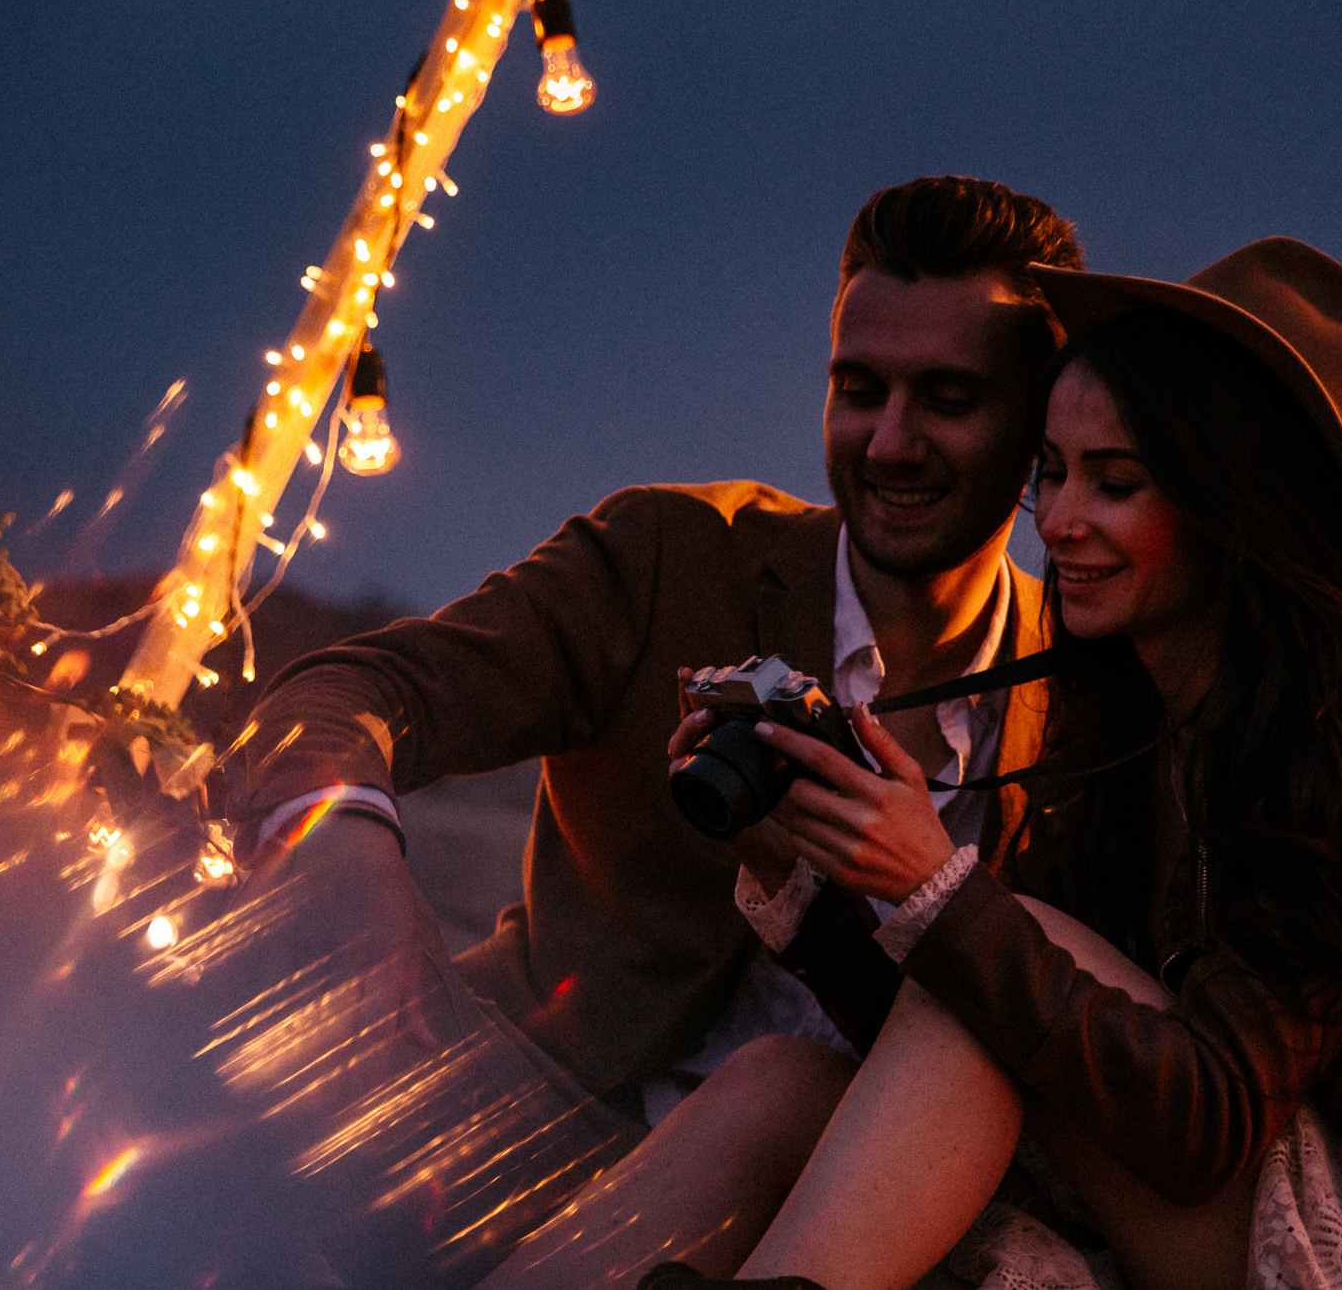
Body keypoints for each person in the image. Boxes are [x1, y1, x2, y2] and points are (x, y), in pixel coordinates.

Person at [491, 238, 1342, 1290]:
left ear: (1234, 509)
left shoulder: (1341, 750)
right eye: (1051, 470)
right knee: (778, 1082)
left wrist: (935, 892)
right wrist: (798, 869)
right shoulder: (1120, 713)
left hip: (1313, 1246)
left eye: (1116, 481)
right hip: (1148, 1197)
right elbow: (985, 1045)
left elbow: (1201, 1125)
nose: (1057, 521)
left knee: (1015, 937)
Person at [207, 176, 1083, 1284]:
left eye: (948, 398)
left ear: (1036, 420)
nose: (890, 441)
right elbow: (349, 692)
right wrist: (348, 848)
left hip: (852, 1237)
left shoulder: (1085, 697)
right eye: (858, 389)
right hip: (529, 1136)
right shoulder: (671, 555)